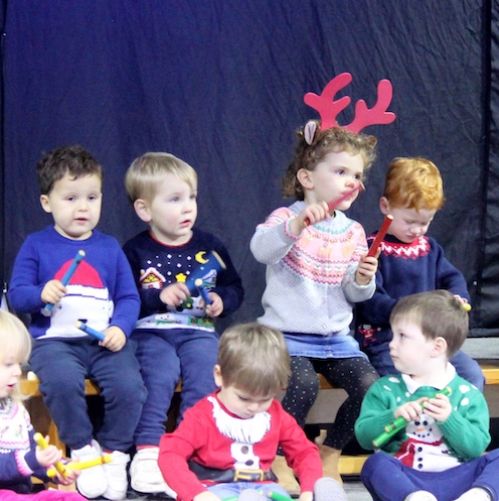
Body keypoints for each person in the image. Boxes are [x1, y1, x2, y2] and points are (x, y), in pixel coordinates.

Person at [8, 145, 147, 500]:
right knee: (61, 381)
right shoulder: (36, 245)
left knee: (131, 386)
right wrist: (40, 293)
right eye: (70, 198)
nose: (83, 207)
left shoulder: (110, 247)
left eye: (91, 197)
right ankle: (83, 450)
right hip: (54, 343)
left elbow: (129, 298)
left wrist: (120, 328)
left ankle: (113, 454)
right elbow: (17, 296)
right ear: (47, 202)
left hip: (102, 342)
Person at [250, 124, 380, 489]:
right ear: (307, 178)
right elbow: (261, 250)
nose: (352, 182)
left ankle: (329, 452)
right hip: (287, 338)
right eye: (340, 172)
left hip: (336, 341)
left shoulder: (353, 232)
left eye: (357, 175)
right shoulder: (285, 218)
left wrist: (362, 279)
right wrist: (295, 226)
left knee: (371, 388)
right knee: (304, 384)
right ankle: (277, 456)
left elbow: (356, 294)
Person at [123, 152, 244, 495]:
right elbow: (124, 299)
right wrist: (158, 296)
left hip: (198, 331)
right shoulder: (135, 250)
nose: (188, 207)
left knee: (206, 374)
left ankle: (191, 450)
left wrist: (221, 301)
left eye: (191, 197)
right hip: (152, 333)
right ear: (145, 210)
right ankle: (148, 451)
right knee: (158, 375)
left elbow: (235, 288)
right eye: (175, 199)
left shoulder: (210, 246)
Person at [158, 322, 347, 501]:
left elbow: (304, 452)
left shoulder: (275, 414)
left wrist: (309, 488)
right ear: (219, 376)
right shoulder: (202, 415)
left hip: (263, 488)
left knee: (282, 493)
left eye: (265, 399)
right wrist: (196, 493)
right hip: (215, 489)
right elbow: (170, 456)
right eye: (244, 398)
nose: (254, 407)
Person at [355, 290, 499, 501]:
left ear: (437, 347)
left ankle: (477, 496)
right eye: (393, 335)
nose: (391, 344)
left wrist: (450, 419)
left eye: (402, 336)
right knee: (375, 465)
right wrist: (393, 416)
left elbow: (476, 448)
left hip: (460, 482)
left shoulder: (467, 394)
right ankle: (417, 498)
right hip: (407, 481)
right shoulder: (385, 389)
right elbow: (365, 438)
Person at [355, 156, 484, 390]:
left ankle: (456, 414)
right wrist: (411, 313)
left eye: (425, 222)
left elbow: (453, 278)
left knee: (471, 374)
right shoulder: (372, 249)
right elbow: (370, 303)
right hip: (389, 343)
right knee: (402, 387)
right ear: (385, 206)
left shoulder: (430, 248)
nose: (417, 230)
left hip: (430, 341)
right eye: (409, 221)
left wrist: (457, 297)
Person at [0, 309, 86, 500]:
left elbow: (32, 455)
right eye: (8, 364)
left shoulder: (16, 411)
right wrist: (32, 460)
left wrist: (56, 467)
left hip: (20, 494)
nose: (18, 371)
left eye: (20, 364)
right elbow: (25, 461)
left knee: (71, 498)